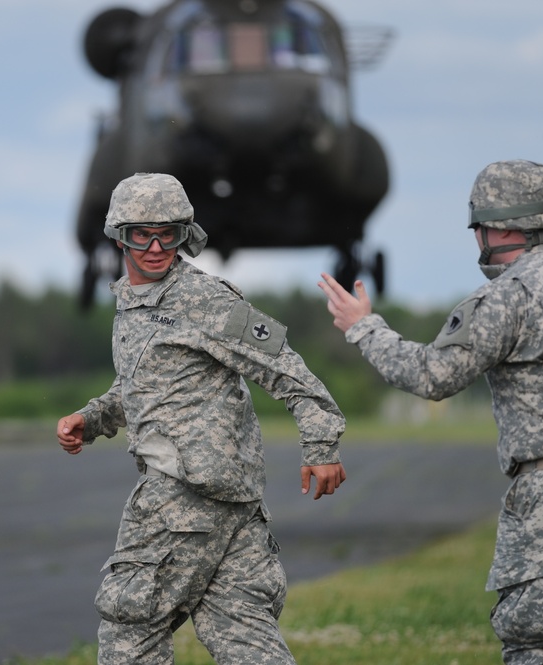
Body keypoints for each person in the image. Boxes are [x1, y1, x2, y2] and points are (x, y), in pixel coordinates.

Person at [317, 159, 543, 664]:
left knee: (534, 645)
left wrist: (364, 328)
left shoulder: (509, 295)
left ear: (498, 227)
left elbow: (434, 376)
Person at [57, 172, 347, 664]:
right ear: (118, 236)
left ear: (185, 234)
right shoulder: (136, 304)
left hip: (183, 498)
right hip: (231, 506)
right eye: (139, 234)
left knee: (131, 631)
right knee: (243, 636)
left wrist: (321, 445)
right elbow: (152, 388)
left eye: (167, 233)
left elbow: (284, 364)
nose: (154, 246)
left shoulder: (205, 300)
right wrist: (94, 419)